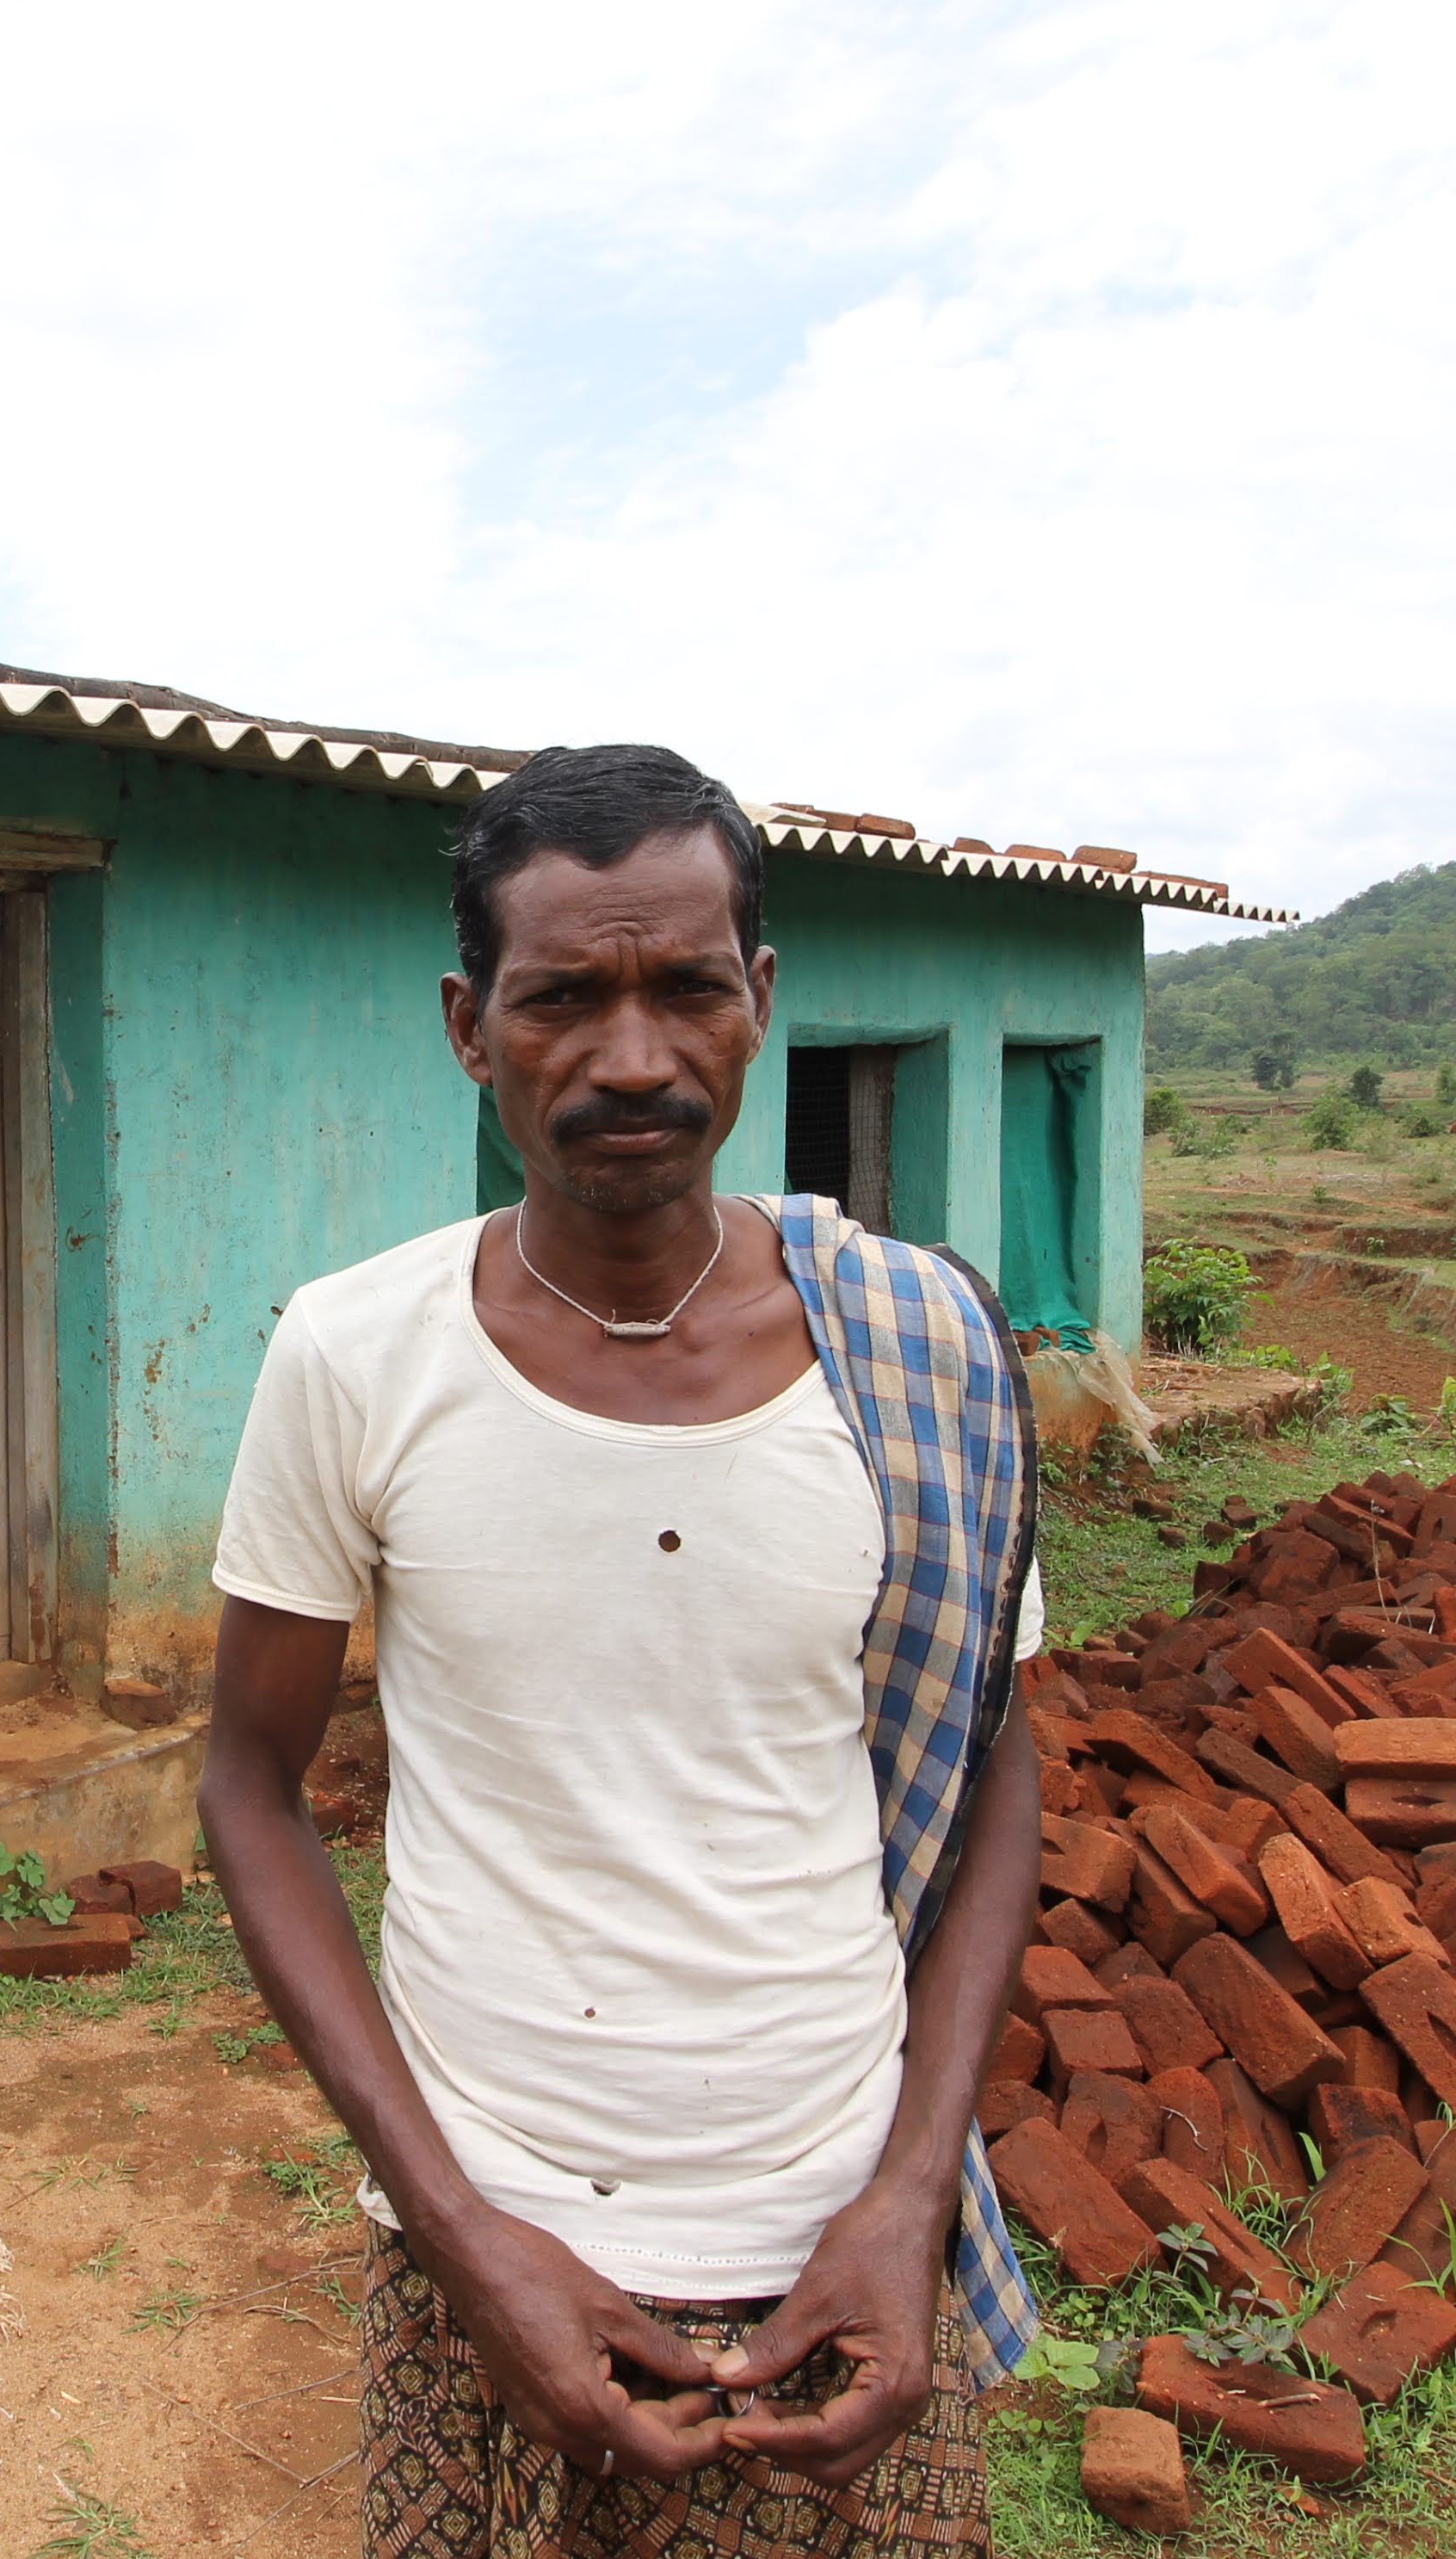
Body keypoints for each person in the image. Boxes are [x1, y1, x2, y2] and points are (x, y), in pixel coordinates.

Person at [198, 743, 1049, 2556]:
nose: (633, 1055)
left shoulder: (925, 1354)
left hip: (836, 2242)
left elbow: (996, 1779)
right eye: (562, 996)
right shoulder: (353, 1357)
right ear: (467, 1024)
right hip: (491, 2238)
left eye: (686, 987)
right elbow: (246, 1781)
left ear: (761, 1001)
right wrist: (456, 2230)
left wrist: (909, 2198)